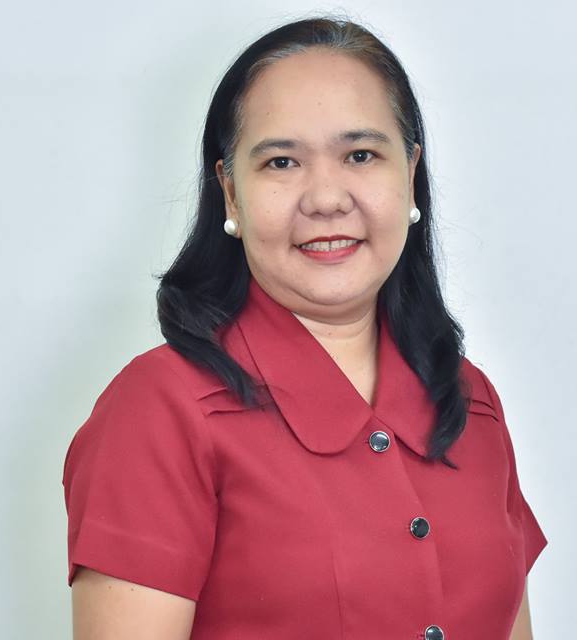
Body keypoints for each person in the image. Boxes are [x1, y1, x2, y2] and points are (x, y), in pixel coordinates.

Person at [62, 15, 547, 640]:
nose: (325, 198)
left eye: (361, 155)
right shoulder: (159, 409)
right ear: (231, 194)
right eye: (282, 162)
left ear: (410, 175)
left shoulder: (468, 397)